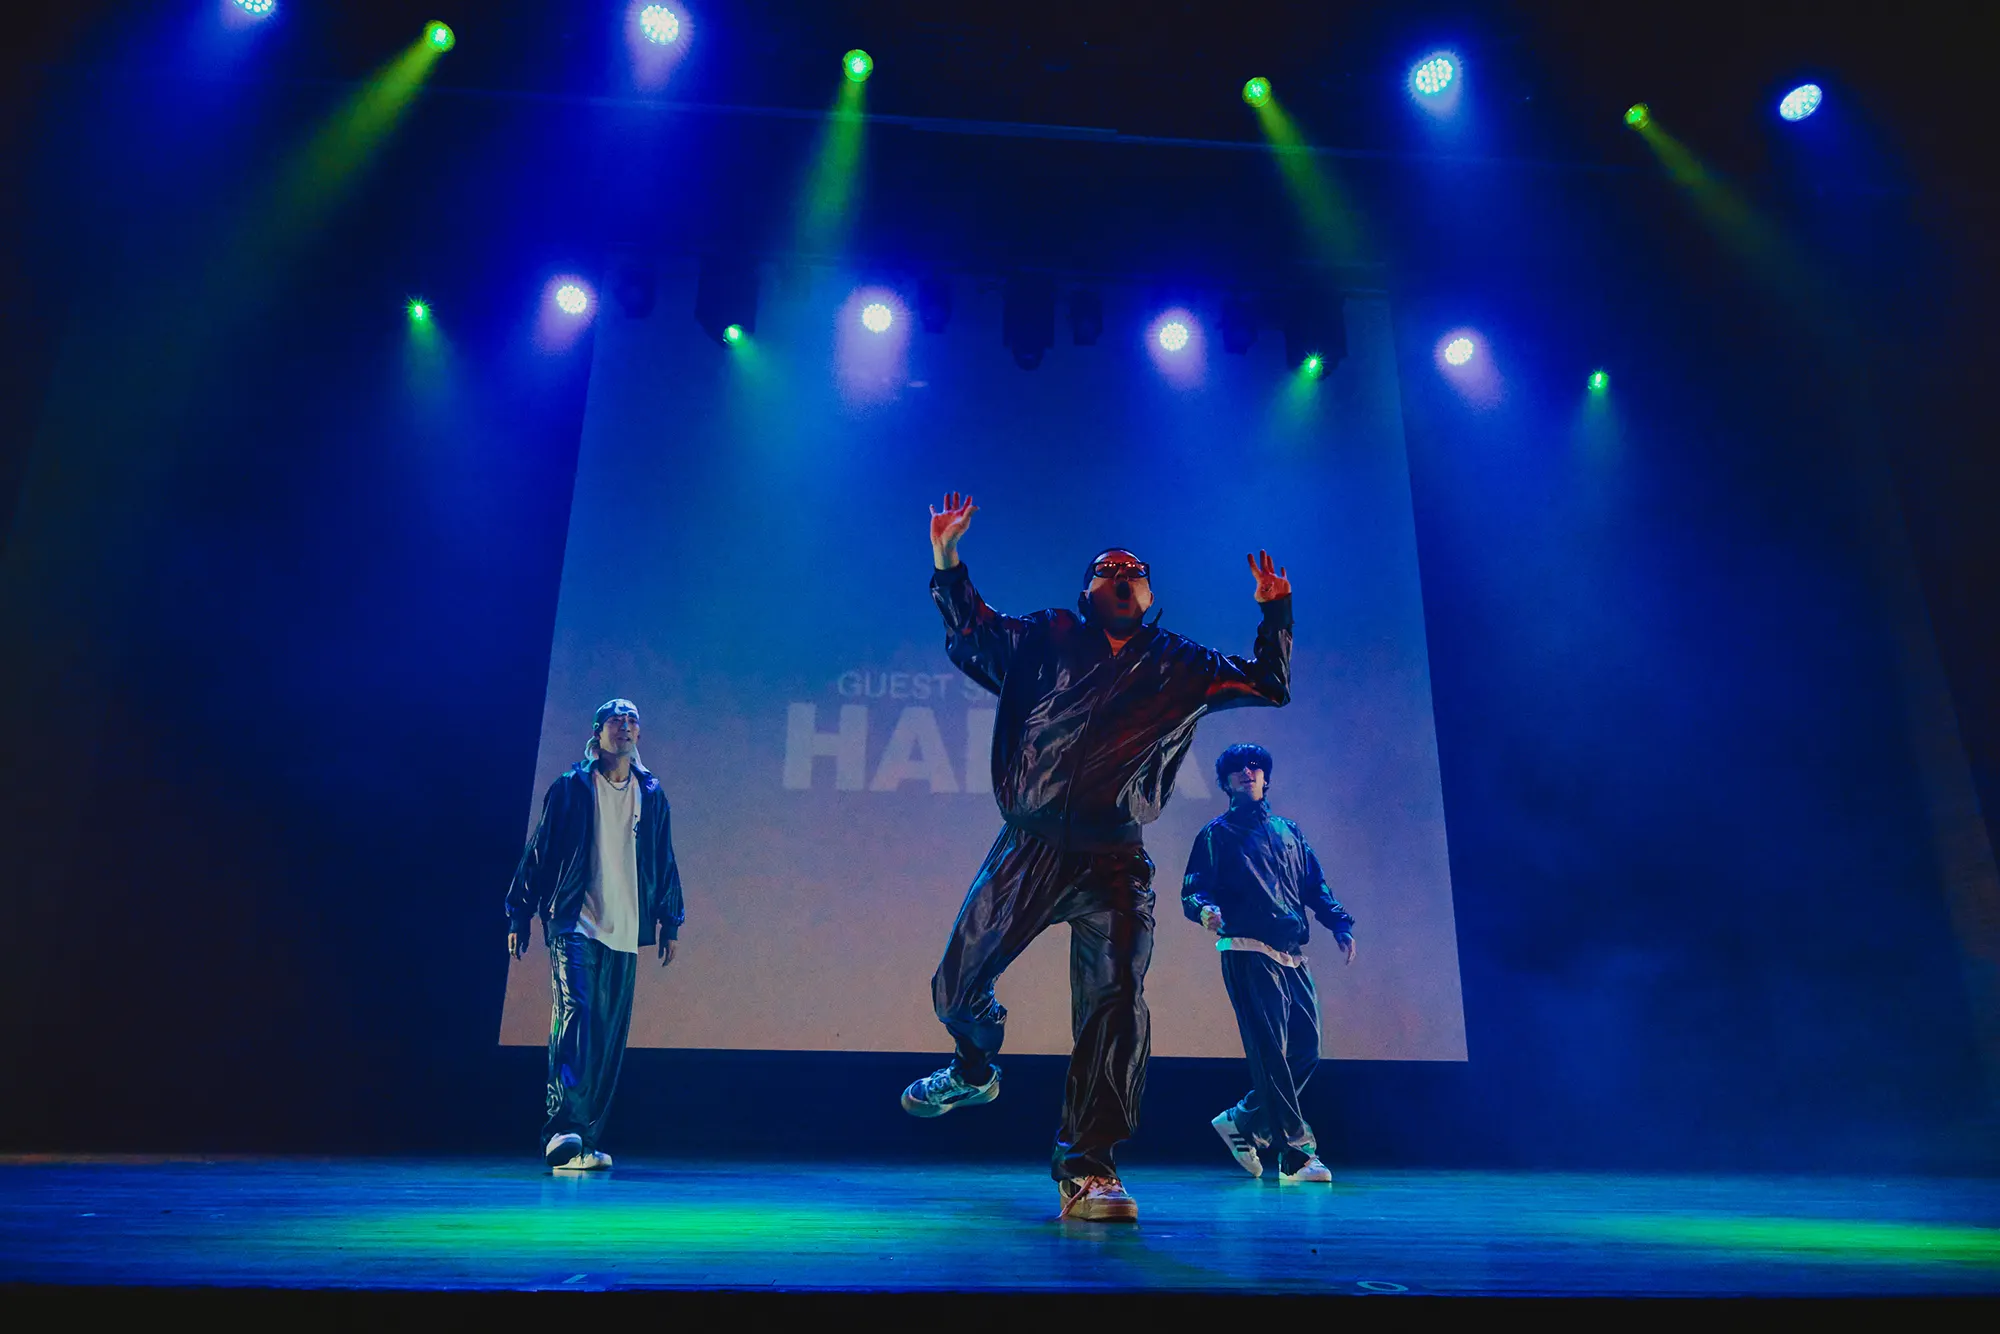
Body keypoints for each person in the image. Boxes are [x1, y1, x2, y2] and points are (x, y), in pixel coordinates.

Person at [901, 491, 1293, 1222]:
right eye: (1108, 571)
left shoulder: (1180, 664)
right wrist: (946, 558)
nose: (1121, 578)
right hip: (1030, 850)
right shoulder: (1047, 637)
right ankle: (973, 1067)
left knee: (1115, 1004)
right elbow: (974, 629)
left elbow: (1268, 684)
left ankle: (1089, 1167)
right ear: (1087, 592)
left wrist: (1275, 614)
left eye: (1133, 573)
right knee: (955, 990)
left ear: (1148, 594)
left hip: (1115, 862)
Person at [506, 699, 684, 1171]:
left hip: (623, 925)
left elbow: (662, 858)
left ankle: (582, 1143)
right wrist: (520, 911)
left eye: (632, 721)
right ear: (597, 733)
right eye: (615, 720)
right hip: (574, 920)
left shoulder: (651, 793)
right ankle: (561, 1129)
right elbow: (540, 850)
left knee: (606, 1036)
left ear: (638, 735)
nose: (624, 727)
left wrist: (670, 919)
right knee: (578, 1013)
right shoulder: (571, 787)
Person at [1182, 742, 1354, 1185]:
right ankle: (1296, 1155)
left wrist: (1339, 923)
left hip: (1291, 953)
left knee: (1305, 1049)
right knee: (1271, 1055)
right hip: (1248, 948)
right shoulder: (1216, 835)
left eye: (1255, 766)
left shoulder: (1288, 831)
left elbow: (1314, 886)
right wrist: (1205, 910)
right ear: (1225, 783)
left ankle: (1243, 1118)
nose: (1248, 772)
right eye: (1237, 768)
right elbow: (1194, 890)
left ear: (1266, 777)